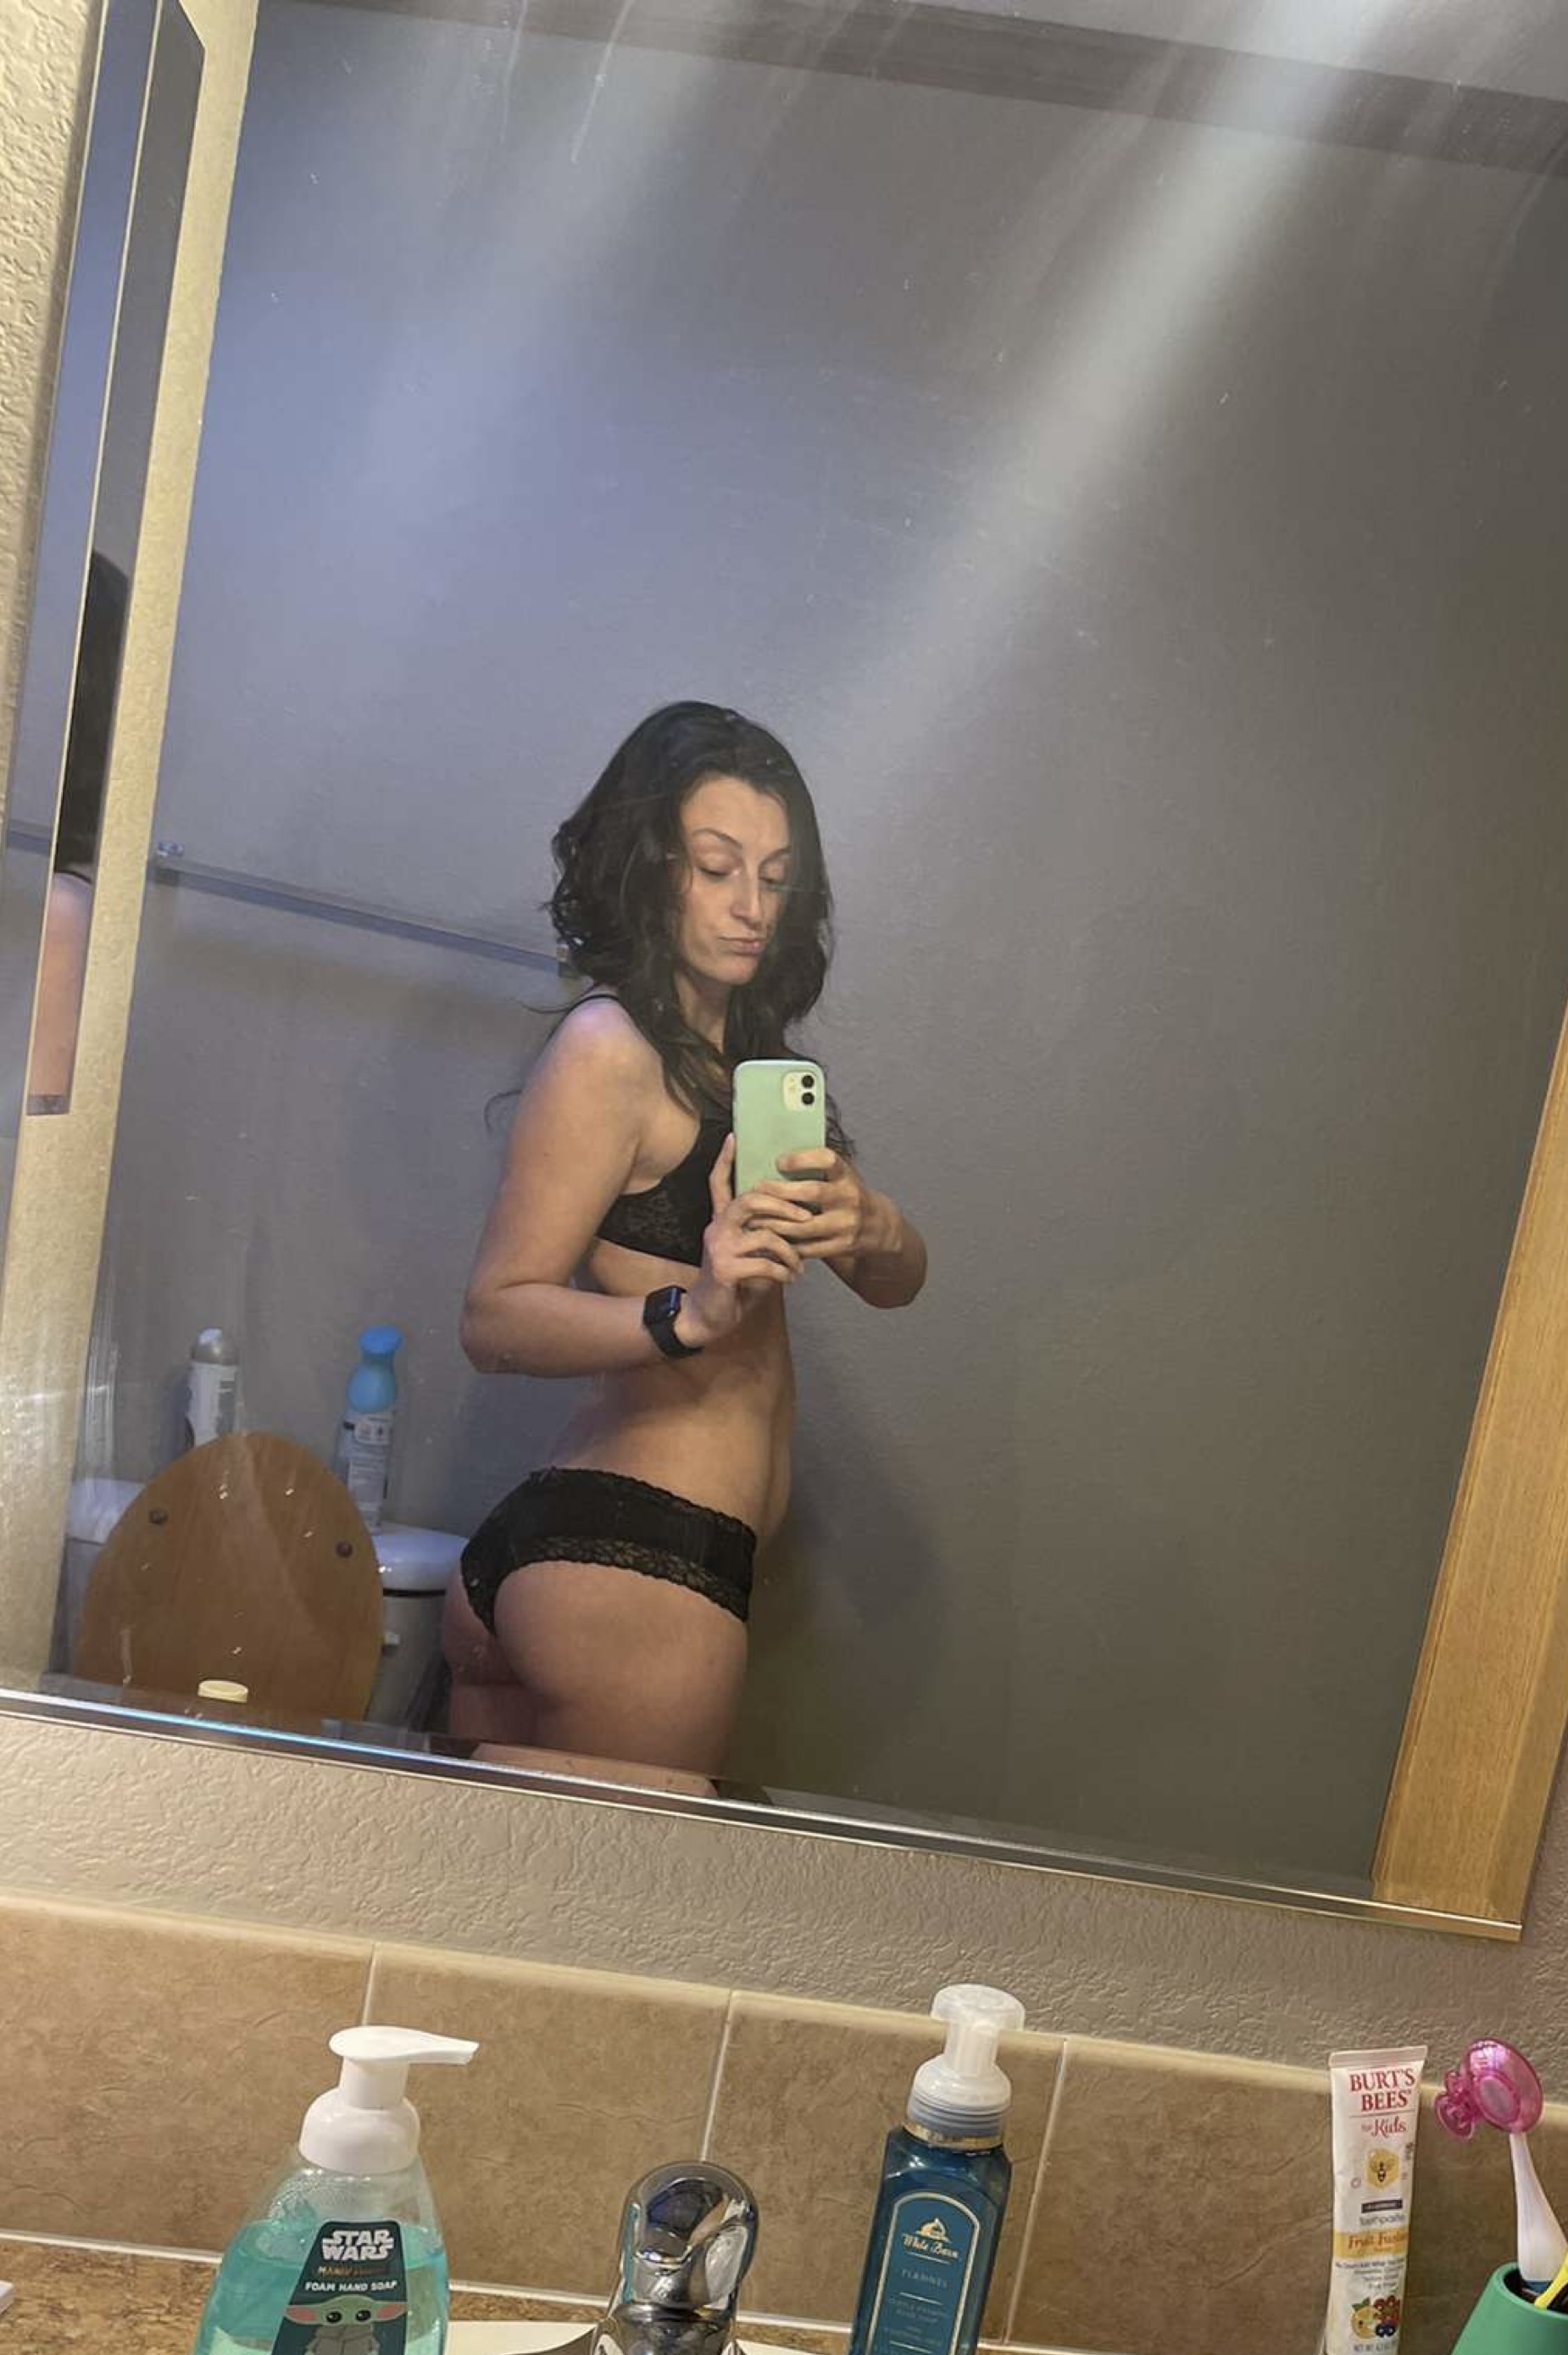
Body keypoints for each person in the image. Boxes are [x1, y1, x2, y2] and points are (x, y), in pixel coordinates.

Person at [443, 701, 926, 1775]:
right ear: (650, 869)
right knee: (611, 1891)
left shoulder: (745, 1062)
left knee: (494, 1885)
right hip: (633, 1566)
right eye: (716, 868)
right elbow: (493, 1317)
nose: (751, 906)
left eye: (774, 876)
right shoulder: (609, 1046)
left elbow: (898, 1283)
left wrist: (873, 1223)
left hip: (608, 1554)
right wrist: (687, 1315)